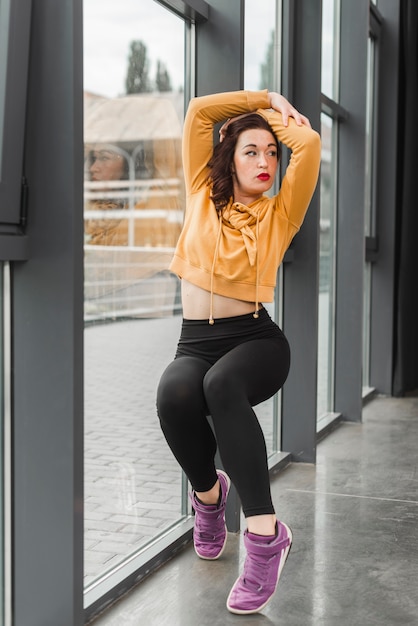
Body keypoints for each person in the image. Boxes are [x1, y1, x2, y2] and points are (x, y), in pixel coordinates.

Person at [156, 89, 321, 615]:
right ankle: (209, 497)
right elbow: (201, 113)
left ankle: (264, 536)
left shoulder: (280, 212)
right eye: (251, 150)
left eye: (272, 152)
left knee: (221, 386)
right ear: (228, 155)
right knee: (175, 393)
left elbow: (310, 143)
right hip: (195, 341)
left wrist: (279, 118)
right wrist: (264, 98)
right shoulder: (202, 188)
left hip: (256, 341)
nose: (265, 161)